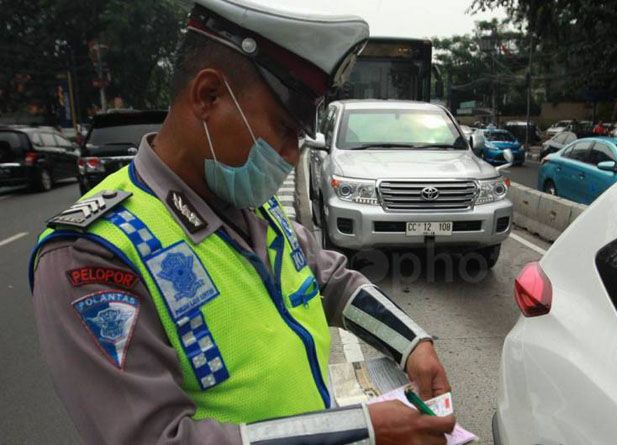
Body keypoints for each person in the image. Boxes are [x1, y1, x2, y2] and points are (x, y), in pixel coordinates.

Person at [28, 1, 455, 444]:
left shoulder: (248, 202)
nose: (291, 155)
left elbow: (331, 280)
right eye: (284, 129)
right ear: (208, 96)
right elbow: (155, 438)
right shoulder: (94, 252)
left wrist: (412, 342)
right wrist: (357, 433)